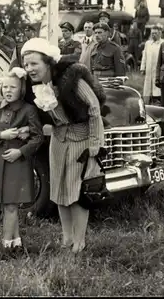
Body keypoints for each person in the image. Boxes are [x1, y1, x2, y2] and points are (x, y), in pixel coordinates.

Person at [21, 38, 105, 253]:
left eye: (34, 63)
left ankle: (80, 241)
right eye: (26, 64)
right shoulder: (37, 86)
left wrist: (95, 144)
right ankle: (66, 239)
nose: (29, 68)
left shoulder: (71, 79)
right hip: (58, 141)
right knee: (59, 190)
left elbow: (94, 107)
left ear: (48, 62)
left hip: (82, 141)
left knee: (76, 192)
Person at [0, 67, 44, 249]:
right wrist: (1, 135)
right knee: (8, 204)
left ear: (22, 90)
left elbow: (38, 137)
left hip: (17, 163)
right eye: (5, 87)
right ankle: (16, 241)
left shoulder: (29, 110)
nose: (8, 91)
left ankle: (6, 244)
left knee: (11, 204)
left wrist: (21, 151)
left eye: (13, 87)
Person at [141, 25, 164, 105]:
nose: (153, 35)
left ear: (160, 33)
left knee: (157, 87)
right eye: (152, 33)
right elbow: (144, 56)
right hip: (149, 69)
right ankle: (147, 102)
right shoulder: (148, 43)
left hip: (158, 69)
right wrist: (142, 68)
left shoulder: (163, 43)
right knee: (147, 87)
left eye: (155, 33)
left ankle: (157, 101)